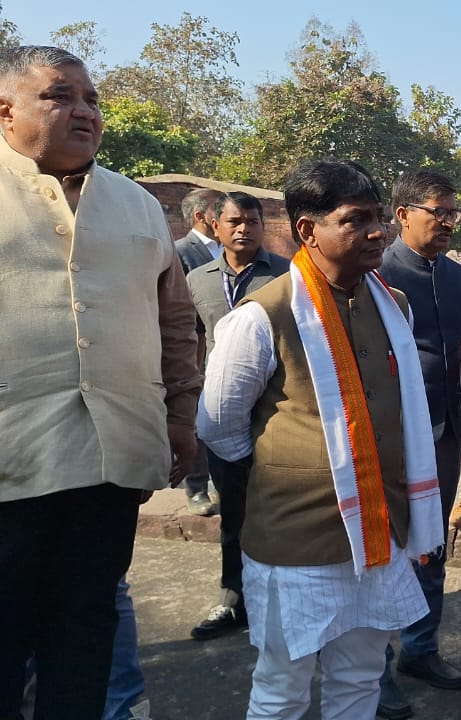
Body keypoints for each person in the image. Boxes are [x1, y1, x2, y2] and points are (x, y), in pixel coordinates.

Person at [198, 158, 444, 719]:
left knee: (359, 679)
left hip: (379, 533)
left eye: (378, 217)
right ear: (308, 230)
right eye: (356, 220)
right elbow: (219, 426)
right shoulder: (262, 316)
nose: (378, 232)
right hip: (298, 542)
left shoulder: (393, 305)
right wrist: (293, 469)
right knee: (282, 690)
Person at [0, 45, 201, 719]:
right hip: (10, 468)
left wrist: (180, 416)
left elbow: (175, 320)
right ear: (6, 111)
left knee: (84, 637)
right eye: (60, 96)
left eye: (91, 99)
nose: (85, 112)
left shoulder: (137, 205)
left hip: (109, 463)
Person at [375, 168, 461, 719]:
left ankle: (420, 648)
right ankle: (375, 669)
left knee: (431, 543)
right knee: (387, 549)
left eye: (453, 213)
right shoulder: (379, 273)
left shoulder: (455, 276)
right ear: (403, 214)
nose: (448, 222)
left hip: (447, 425)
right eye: (438, 212)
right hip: (395, 433)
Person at [186, 191, 290, 642]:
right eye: (234, 221)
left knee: (281, 509)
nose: (243, 228)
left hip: (275, 412)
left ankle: (284, 600)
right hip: (223, 411)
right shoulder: (198, 279)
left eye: (252, 220)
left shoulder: (284, 276)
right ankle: (234, 597)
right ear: (215, 225)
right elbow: (190, 340)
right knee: (233, 512)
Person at [173, 190, 226, 516]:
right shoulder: (181, 252)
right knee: (196, 417)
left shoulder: (229, 249)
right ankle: (196, 488)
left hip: (224, 344)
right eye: (216, 208)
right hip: (194, 347)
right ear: (200, 217)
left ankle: (223, 483)